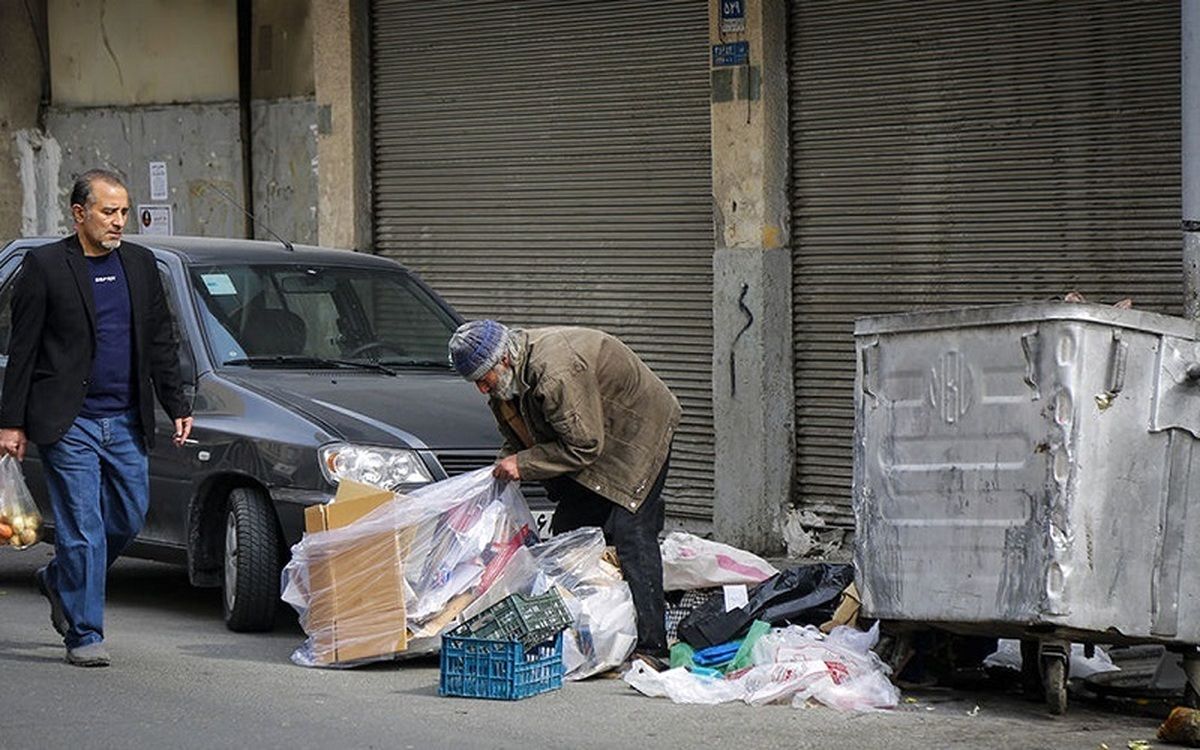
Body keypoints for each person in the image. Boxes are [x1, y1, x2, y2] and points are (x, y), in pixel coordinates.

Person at [0, 169, 193, 667]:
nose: (119, 222)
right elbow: (22, 350)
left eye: (124, 212)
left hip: (126, 419)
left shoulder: (141, 264)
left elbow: (161, 342)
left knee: (128, 516)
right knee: (82, 528)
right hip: (70, 422)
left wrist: (177, 404)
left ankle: (60, 577)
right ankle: (84, 633)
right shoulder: (45, 267)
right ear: (79, 213)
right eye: (109, 212)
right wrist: (11, 422)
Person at [448, 319, 680, 657]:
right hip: (591, 436)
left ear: (505, 360)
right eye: (476, 383)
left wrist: (523, 465)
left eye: (484, 380)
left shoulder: (555, 372)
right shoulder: (505, 386)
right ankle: (589, 633)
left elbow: (584, 445)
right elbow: (520, 438)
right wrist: (498, 471)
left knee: (631, 532)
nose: (482, 390)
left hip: (636, 433)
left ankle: (652, 646)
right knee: (570, 532)